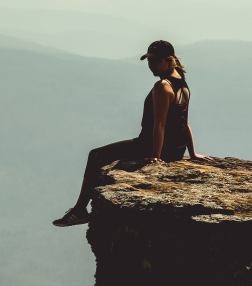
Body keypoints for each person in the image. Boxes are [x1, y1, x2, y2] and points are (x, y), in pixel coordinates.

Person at [52, 40, 211, 227]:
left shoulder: (163, 86)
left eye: (156, 61)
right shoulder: (182, 84)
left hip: (151, 146)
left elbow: (159, 125)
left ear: (169, 60)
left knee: (95, 155)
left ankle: (79, 210)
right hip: (176, 150)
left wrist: (155, 156)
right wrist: (191, 153)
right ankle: (79, 210)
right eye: (149, 61)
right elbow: (184, 123)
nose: (151, 65)